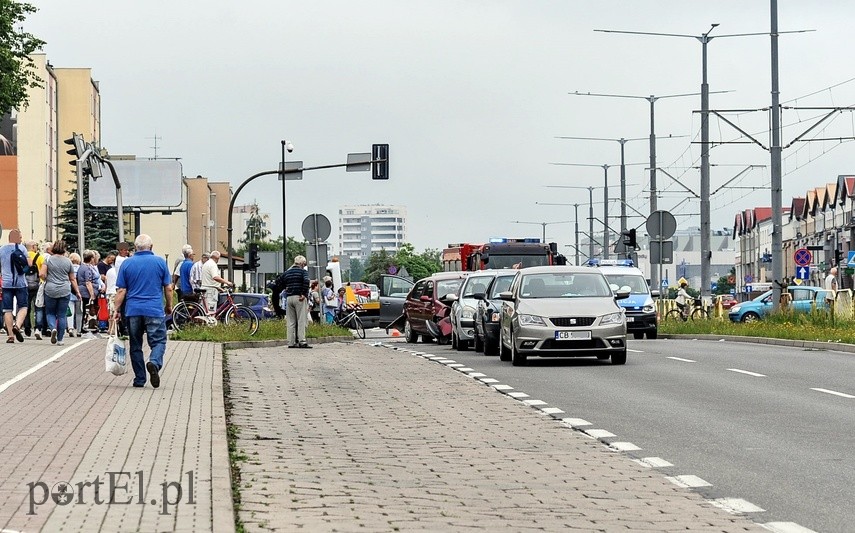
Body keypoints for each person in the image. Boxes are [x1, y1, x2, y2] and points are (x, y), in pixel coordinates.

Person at [112, 234, 173, 389]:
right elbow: (168, 287)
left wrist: (116, 310)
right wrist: (169, 306)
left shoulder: (127, 264)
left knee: (135, 344)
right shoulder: (160, 262)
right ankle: (154, 362)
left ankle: (140, 379)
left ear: (135, 247)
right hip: (154, 309)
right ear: (151, 247)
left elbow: (121, 290)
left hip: (133, 310)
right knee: (159, 341)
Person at [40, 240, 81, 345]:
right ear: (64, 249)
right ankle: (60, 339)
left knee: (50, 313)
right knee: (62, 315)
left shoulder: (48, 260)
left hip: (50, 290)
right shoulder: (68, 261)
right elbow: (72, 279)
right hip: (64, 290)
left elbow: (42, 274)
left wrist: (46, 278)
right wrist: (77, 292)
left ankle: (53, 328)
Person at [0, 229, 31, 343]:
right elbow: (29, 264)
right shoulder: (21, 248)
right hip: (20, 283)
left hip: (6, 283)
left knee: (7, 309)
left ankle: (10, 336)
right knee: (23, 306)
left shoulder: (1, 249)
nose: (21, 239)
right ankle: (17, 326)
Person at [283, 255, 311, 348]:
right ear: (302, 263)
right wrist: (304, 294)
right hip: (299, 298)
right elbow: (306, 281)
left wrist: (286, 289)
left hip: (289, 298)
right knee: (301, 320)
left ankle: (290, 342)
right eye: (304, 264)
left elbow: (280, 281)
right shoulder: (303, 272)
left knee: (290, 321)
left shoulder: (287, 272)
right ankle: (302, 341)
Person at [77, 250, 101, 338]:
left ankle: (87, 327)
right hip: (86, 292)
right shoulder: (86, 268)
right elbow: (88, 282)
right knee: (88, 310)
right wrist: (92, 294)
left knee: (86, 310)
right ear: (91, 258)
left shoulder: (82, 267)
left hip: (84, 291)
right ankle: (87, 328)